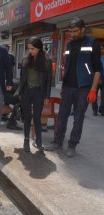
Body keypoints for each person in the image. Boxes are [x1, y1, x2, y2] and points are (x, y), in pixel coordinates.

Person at [47, 18, 102, 157]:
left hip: (83, 88)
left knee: (78, 117)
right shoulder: (70, 44)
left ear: (83, 29)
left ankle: (72, 144)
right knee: (62, 116)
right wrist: (64, 82)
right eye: (70, 31)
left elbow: (97, 69)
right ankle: (58, 141)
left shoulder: (93, 43)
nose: (72, 34)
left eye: (75, 31)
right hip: (67, 87)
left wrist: (93, 89)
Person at [15, 37, 52, 154]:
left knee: (37, 117)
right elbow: (22, 78)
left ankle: (39, 141)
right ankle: (26, 140)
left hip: (39, 93)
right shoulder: (26, 59)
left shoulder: (46, 60)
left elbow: (49, 80)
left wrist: (47, 96)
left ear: (39, 48)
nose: (30, 51)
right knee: (27, 117)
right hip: (26, 92)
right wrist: (20, 92)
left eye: (32, 48)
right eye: (29, 48)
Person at [92, 42, 104, 116]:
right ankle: (95, 110)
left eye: (102, 49)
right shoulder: (96, 57)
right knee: (94, 95)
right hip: (96, 79)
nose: (101, 50)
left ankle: (102, 110)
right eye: (100, 49)